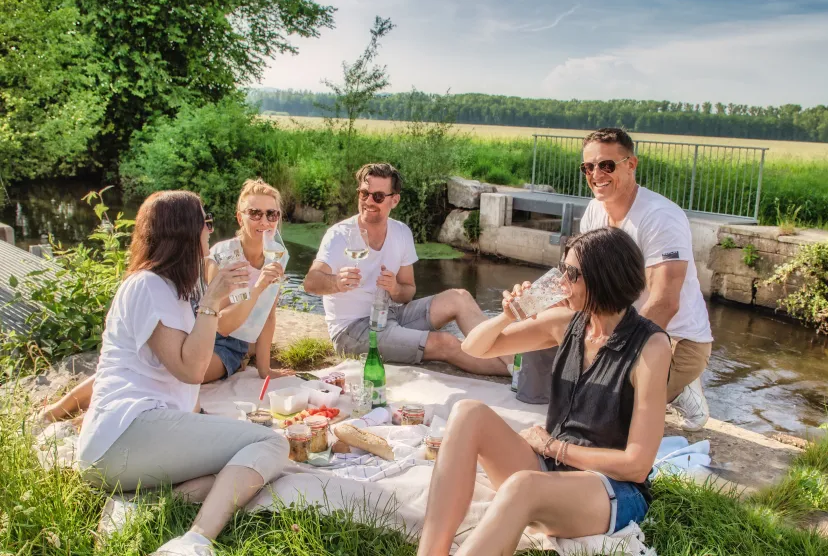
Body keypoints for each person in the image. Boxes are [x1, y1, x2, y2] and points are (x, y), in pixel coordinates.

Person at [416, 227, 670, 556]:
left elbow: (636, 464)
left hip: (610, 488)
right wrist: (508, 315)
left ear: (602, 278)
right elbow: (474, 347)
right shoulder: (567, 322)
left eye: (571, 273)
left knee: (522, 486)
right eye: (561, 269)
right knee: (468, 413)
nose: (560, 281)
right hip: (550, 471)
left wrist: (554, 447)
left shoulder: (651, 346)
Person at [75, 190, 288, 556]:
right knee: (270, 444)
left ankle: (142, 503)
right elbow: (192, 370)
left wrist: (222, 297)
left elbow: (182, 379)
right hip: (123, 434)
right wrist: (211, 301)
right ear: (186, 232)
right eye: (205, 222)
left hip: (136, 437)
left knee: (239, 467)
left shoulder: (172, 288)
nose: (210, 230)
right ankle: (197, 539)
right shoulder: (148, 286)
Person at [39, 179, 293, 425]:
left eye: (272, 214)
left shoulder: (278, 256)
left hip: (231, 345)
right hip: (206, 327)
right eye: (255, 213)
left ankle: (94, 418)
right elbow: (222, 324)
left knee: (180, 376)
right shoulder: (223, 255)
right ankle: (64, 409)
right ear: (240, 217)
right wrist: (258, 288)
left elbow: (268, 314)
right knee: (171, 373)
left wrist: (264, 369)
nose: (264, 221)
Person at [302, 162, 510, 375]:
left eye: (378, 197)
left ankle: (515, 358)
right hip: (354, 331)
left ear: (394, 200)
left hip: (390, 314)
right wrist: (335, 282)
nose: (368, 201)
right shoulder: (339, 235)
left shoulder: (401, 232)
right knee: (445, 343)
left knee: (460, 297)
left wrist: (394, 288)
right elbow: (310, 282)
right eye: (364, 193)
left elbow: (407, 292)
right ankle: (519, 375)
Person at [578, 127, 714, 431]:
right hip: (618, 325)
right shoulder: (593, 211)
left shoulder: (659, 218)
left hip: (677, 340)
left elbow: (664, 303)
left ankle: (681, 387)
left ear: (631, 164)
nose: (596, 174)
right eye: (588, 167)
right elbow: (581, 280)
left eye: (606, 165)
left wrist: (609, 355)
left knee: (606, 414)